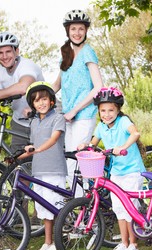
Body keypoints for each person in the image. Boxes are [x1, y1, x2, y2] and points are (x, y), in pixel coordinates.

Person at [78, 87, 146, 250]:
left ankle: (134, 245)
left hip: (132, 171)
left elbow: (135, 133)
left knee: (129, 209)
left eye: (110, 110)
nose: (106, 114)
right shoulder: (101, 127)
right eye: (103, 110)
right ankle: (124, 243)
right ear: (99, 112)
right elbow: (93, 143)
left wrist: (122, 147)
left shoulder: (123, 122)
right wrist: (84, 146)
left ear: (118, 110)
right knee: (118, 209)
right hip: (116, 173)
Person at [52, 10, 104, 196]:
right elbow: (57, 84)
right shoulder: (65, 54)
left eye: (80, 29)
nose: (77, 32)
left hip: (83, 114)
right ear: (68, 31)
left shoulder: (88, 52)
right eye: (73, 29)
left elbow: (98, 87)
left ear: (86, 30)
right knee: (70, 162)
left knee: (78, 164)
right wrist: (38, 97)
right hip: (68, 115)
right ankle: (80, 208)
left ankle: (86, 214)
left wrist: (75, 110)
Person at [22, 81, 67, 250]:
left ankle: (58, 242)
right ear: (32, 104)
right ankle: (48, 242)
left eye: (44, 99)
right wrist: (19, 157)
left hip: (54, 169)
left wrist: (39, 148)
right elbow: (34, 146)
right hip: (38, 171)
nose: (41, 103)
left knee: (55, 207)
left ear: (51, 101)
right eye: (36, 101)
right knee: (43, 208)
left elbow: (54, 139)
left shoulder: (58, 118)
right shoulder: (33, 123)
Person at [0, 31, 45, 151]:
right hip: (19, 122)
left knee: (41, 160)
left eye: (8, 51)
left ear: (16, 51)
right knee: (16, 162)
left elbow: (24, 86)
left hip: (42, 121)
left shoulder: (27, 65)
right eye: (0, 53)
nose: (4, 56)